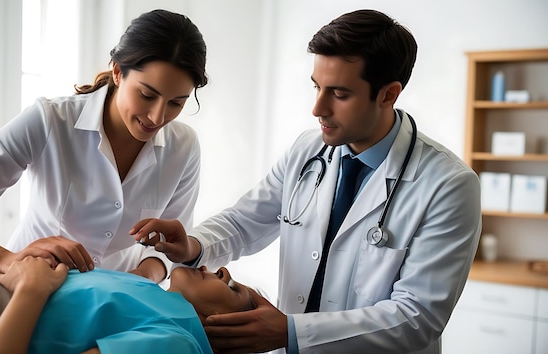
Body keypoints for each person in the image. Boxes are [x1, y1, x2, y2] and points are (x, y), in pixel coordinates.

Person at [132, 9, 482, 354]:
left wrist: (291, 332)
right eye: (317, 87)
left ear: (388, 94)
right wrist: (192, 246)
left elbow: (416, 317)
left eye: (339, 94)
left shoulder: (447, 185)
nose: (318, 108)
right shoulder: (308, 149)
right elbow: (245, 222)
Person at [0, 9, 208, 283]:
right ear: (119, 72)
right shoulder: (49, 121)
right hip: (25, 298)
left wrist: (143, 279)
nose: (158, 117)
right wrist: (9, 260)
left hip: (116, 307)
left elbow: (172, 245)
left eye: (176, 103)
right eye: (147, 95)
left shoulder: (184, 147)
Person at [0, 239, 259, 353]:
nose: (224, 271)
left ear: (226, 324)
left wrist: (31, 290)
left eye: (234, 288)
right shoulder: (156, 299)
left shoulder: (179, 343)